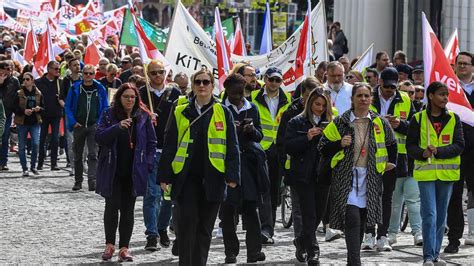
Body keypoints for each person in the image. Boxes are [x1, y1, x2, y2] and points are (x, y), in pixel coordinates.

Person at [157, 69, 240, 266]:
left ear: (212, 86)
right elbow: (169, 144)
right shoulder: (180, 110)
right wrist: (164, 176)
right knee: (187, 226)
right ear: (193, 86)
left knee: (204, 229)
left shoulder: (223, 111)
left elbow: (232, 145)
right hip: (186, 178)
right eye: (198, 82)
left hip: (214, 177)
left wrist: (232, 174)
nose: (202, 86)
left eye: (206, 82)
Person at [318, 83, 397, 265]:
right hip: (346, 178)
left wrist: (390, 164)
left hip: (370, 179)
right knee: (352, 218)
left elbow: (392, 144)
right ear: (352, 99)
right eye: (359, 95)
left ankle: (352, 259)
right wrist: (339, 143)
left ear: (371, 99)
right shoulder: (341, 121)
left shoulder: (379, 122)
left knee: (362, 219)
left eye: (366, 96)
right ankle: (355, 261)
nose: (363, 99)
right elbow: (322, 146)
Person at [96, 83, 157, 262]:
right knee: (112, 207)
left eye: (133, 97)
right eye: (126, 97)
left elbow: (152, 143)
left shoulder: (143, 116)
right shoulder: (109, 114)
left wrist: (148, 164)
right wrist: (117, 127)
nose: (130, 100)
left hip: (134, 171)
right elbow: (99, 137)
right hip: (112, 168)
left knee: (128, 210)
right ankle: (109, 245)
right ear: (119, 98)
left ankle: (124, 247)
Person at [406, 81, 465, 265]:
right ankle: (428, 257)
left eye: (446, 94)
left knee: (441, 217)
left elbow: (459, 145)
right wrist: (422, 153)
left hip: (447, 176)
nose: (445, 98)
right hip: (426, 174)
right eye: (441, 94)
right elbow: (411, 146)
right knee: (429, 214)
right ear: (430, 96)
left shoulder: (454, 118)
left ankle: (436, 255)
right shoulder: (418, 118)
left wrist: (439, 151)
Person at [365, 67, 421, 251]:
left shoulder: (405, 99)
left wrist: (400, 124)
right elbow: (357, 120)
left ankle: (383, 235)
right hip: (369, 153)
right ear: (379, 82)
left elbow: (415, 127)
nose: (390, 90)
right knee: (369, 194)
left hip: (395, 154)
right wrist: (380, 121)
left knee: (387, 196)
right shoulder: (367, 96)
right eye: (387, 86)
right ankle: (368, 234)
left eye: (393, 86)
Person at [221, 73, 266, 264]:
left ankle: (254, 251)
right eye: (235, 92)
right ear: (227, 91)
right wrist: (234, 129)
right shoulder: (221, 109)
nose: (239, 96)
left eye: (242, 92)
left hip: (248, 166)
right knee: (228, 210)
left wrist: (251, 130)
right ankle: (231, 251)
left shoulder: (252, 108)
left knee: (251, 209)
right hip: (228, 165)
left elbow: (260, 136)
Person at [285, 88, 333, 265]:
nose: (319, 108)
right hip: (303, 174)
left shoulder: (330, 122)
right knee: (309, 213)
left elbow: (334, 148)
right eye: (316, 104)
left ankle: (301, 241)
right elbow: (288, 146)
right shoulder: (296, 122)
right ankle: (313, 249)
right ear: (309, 103)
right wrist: (306, 137)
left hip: (323, 173)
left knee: (320, 212)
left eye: (323, 105)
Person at [139, 60, 181, 250]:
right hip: (150, 150)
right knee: (152, 194)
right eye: (154, 72)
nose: (157, 75)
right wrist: (144, 118)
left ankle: (163, 227)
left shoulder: (175, 94)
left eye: (161, 72)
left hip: (170, 151)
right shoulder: (141, 94)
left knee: (168, 196)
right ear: (148, 74)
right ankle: (152, 234)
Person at [277, 77, 318, 262]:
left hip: (319, 170)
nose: (313, 100)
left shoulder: (329, 114)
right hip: (297, 168)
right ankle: (306, 245)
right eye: (309, 95)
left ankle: (304, 240)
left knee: (316, 211)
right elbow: (283, 143)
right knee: (300, 209)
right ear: (302, 95)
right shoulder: (291, 114)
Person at [250, 67, 292, 245]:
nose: (274, 83)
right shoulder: (253, 97)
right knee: (263, 189)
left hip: (279, 148)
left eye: (278, 80)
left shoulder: (288, 99)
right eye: (271, 79)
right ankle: (264, 228)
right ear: (265, 79)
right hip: (260, 147)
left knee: (274, 189)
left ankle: (269, 228)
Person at [445, 51, 474, 253]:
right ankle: (454, 239)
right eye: (459, 63)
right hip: (454, 149)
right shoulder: (447, 88)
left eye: (466, 63)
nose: (462, 66)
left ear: (473, 67)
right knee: (454, 195)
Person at [65, 64, 109, 191]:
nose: (88, 76)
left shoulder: (99, 88)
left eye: (91, 73)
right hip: (79, 125)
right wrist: (73, 122)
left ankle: (92, 181)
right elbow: (68, 106)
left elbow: (105, 107)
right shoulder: (75, 88)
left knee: (93, 154)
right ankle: (78, 181)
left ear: (94, 74)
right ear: (82, 74)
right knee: (78, 154)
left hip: (93, 125)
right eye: (86, 73)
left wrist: (99, 122)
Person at [14, 72, 43, 176]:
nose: (25, 81)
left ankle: (33, 166)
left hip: (35, 122)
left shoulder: (38, 93)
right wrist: (23, 111)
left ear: (32, 81)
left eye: (27, 79)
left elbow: (43, 107)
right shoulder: (19, 93)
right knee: (22, 146)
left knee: (35, 144)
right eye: (24, 79)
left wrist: (39, 109)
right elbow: (14, 108)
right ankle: (24, 168)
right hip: (22, 123)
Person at [35, 61, 63, 171]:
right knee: (42, 139)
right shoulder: (39, 82)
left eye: (59, 69)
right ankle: (40, 162)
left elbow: (65, 97)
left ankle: (54, 163)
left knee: (55, 139)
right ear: (49, 69)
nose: (58, 71)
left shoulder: (60, 83)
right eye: (56, 69)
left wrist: (60, 98)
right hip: (43, 114)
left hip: (56, 113)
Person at [0, 60, 20, 170]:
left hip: (7, 114)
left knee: (5, 137)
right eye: (7, 69)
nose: (9, 71)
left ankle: (3, 162)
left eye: (10, 68)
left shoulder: (14, 80)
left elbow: (18, 97)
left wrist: (17, 113)